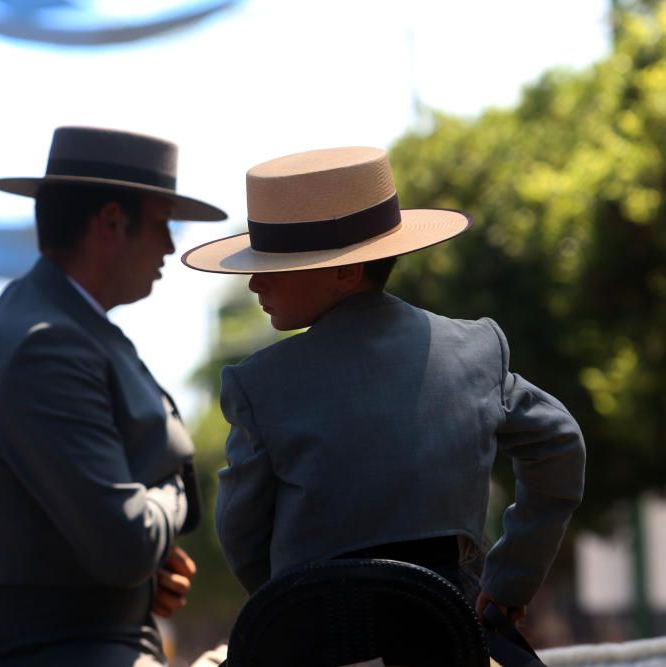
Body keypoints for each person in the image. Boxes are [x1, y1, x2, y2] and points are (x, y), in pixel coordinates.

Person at [181, 146, 585, 625]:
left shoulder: (258, 383)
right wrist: (509, 580)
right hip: (451, 632)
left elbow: (241, 534)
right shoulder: (477, 348)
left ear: (347, 271)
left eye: (273, 264)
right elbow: (561, 445)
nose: (254, 285)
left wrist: (293, 606)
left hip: (319, 637)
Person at [0, 126, 227, 666]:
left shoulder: (57, 325)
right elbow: (125, 543)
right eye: (162, 224)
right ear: (112, 223)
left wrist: (144, 578)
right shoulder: (47, 345)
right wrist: (172, 493)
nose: (169, 244)